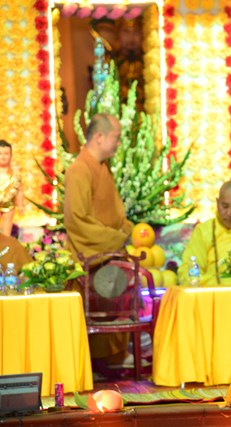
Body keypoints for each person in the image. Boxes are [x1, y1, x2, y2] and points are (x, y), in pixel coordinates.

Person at [63, 113, 134, 369]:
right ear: (100, 137)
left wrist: (127, 230)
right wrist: (115, 238)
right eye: (117, 137)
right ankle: (100, 361)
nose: (119, 143)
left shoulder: (102, 167)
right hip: (92, 254)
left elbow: (114, 211)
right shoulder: (79, 170)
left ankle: (113, 356)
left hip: (108, 252)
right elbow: (76, 220)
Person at [0, 140, 24, 236]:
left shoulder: (15, 174)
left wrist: (21, 205)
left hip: (9, 204)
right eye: (0, 154)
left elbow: (19, 191)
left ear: (11, 155)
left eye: (6, 154)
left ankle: (6, 242)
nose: (3, 157)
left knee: (7, 225)